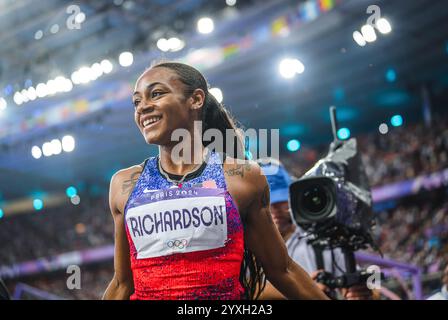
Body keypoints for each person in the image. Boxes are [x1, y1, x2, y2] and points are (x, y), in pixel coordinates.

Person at [102, 61, 328, 300]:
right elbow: (122, 283)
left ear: (196, 99)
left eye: (156, 94)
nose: (143, 108)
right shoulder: (124, 185)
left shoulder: (241, 179)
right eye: (137, 101)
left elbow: (282, 270)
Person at [258, 158, 373, 300]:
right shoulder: (248, 251)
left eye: (280, 200)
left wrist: (358, 292)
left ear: (293, 197)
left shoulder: (323, 241)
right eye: (266, 201)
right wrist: (307, 291)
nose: (274, 208)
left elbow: (366, 286)